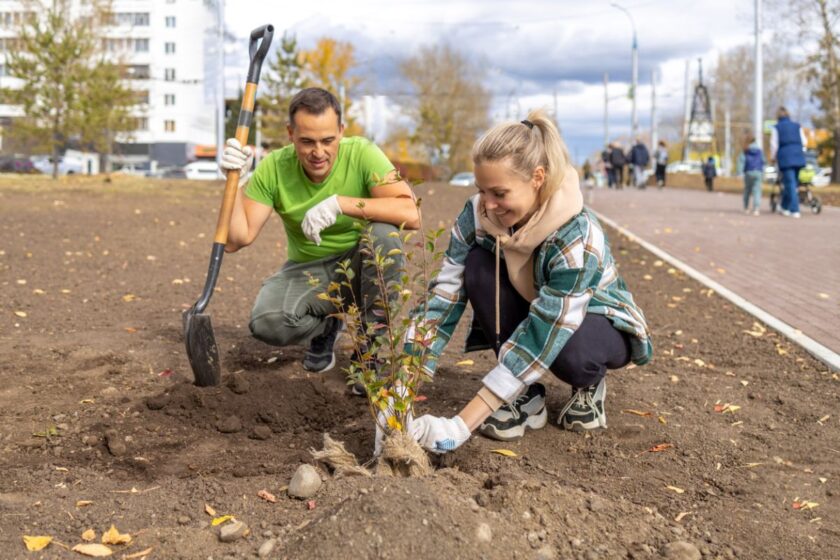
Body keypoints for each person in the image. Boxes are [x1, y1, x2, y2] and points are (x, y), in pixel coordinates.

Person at [403, 110, 653, 453]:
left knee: (573, 355)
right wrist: (401, 383)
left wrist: (462, 425)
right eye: (481, 190)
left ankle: (589, 385)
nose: (488, 205)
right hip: (534, 302)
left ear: (537, 177)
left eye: (499, 193)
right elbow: (444, 295)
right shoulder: (478, 213)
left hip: (595, 318)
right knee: (477, 264)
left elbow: (546, 329)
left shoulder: (577, 235)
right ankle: (524, 395)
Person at [219, 87, 420, 393]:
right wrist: (235, 182)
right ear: (290, 134)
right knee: (267, 322)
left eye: (328, 140)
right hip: (310, 270)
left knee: (385, 234)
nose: (318, 152)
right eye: (307, 141)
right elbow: (237, 239)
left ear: (341, 131)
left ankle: (371, 352)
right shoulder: (275, 167)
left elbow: (411, 214)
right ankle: (327, 325)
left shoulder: (363, 153)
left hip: (361, 263)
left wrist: (341, 203)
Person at [770, 106, 807, 218]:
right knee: (792, 183)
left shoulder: (777, 128)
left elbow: (774, 145)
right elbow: (804, 141)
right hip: (798, 156)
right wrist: (801, 152)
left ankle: (795, 209)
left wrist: (773, 158)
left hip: (786, 158)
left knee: (790, 184)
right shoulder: (797, 126)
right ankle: (784, 207)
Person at [737, 135, 764, 215]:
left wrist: (739, 172)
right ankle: (756, 209)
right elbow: (763, 161)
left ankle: (746, 208)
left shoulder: (745, 150)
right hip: (758, 172)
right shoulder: (759, 151)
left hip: (748, 172)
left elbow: (741, 162)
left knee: (747, 190)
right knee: (757, 190)